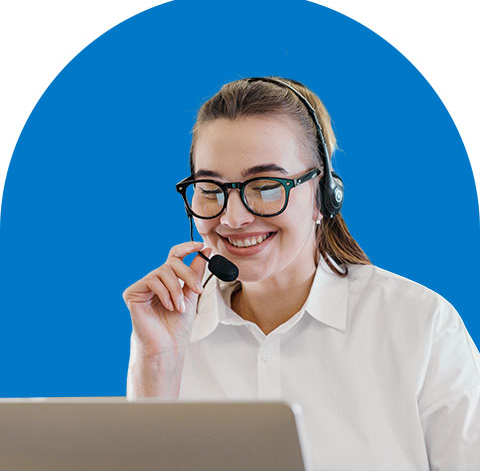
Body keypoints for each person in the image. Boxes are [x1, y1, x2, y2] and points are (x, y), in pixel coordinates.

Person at [124, 77, 480, 470]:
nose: (232, 217)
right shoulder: (174, 332)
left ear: (324, 195)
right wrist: (158, 365)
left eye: (266, 185)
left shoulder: (422, 327)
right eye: (211, 188)